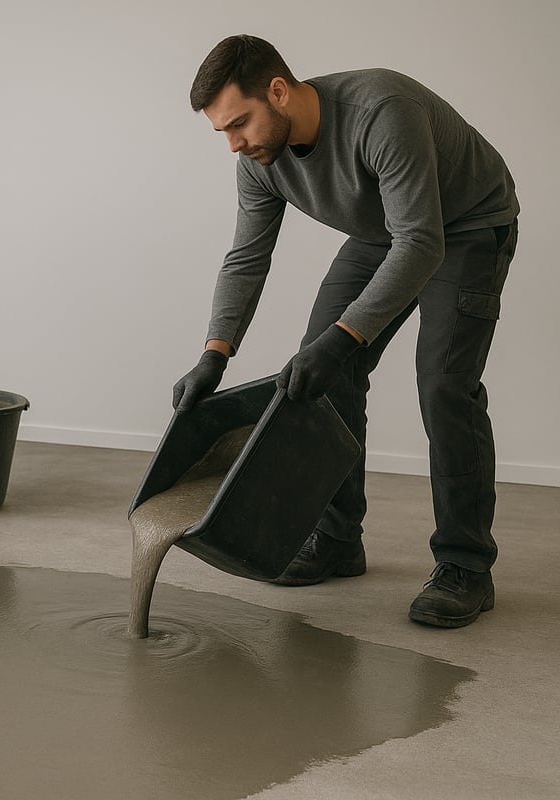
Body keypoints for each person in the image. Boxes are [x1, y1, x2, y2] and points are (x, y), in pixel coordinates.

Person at [173, 35, 518, 628]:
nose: (234, 144)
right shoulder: (259, 162)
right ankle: (337, 540)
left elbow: (422, 242)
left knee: (443, 387)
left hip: (465, 226)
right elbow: (247, 258)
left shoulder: (381, 113)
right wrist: (214, 354)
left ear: (278, 91)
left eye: (239, 124)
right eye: (221, 133)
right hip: (385, 231)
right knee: (319, 377)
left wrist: (342, 339)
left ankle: (466, 566)